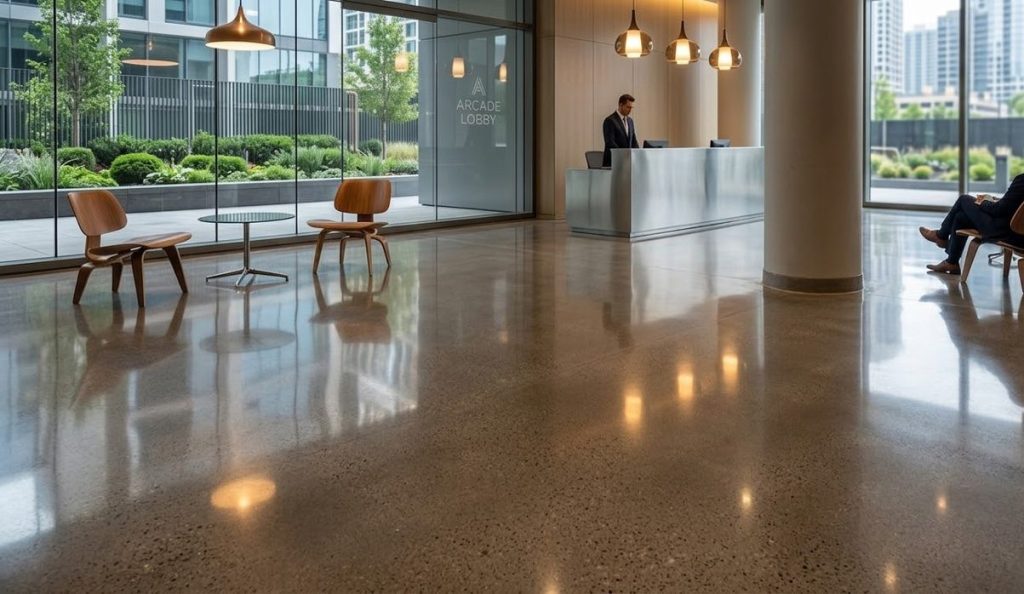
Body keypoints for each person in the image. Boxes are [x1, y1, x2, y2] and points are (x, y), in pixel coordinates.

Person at [919, 173, 1024, 274]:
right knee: (961, 217)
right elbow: (1013, 207)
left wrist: (983, 202)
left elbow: (998, 210)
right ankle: (951, 263)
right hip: (1018, 234)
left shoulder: (1022, 179)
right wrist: (996, 202)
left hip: (1007, 232)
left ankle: (940, 236)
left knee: (963, 199)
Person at [602, 94, 639, 167]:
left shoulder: (630, 121)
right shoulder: (609, 120)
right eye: (628, 107)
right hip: (613, 163)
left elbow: (634, 141)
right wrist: (625, 155)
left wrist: (638, 154)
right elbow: (610, 143)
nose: (630, 110)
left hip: (627, 163)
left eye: (631, 107)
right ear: (620, 105)